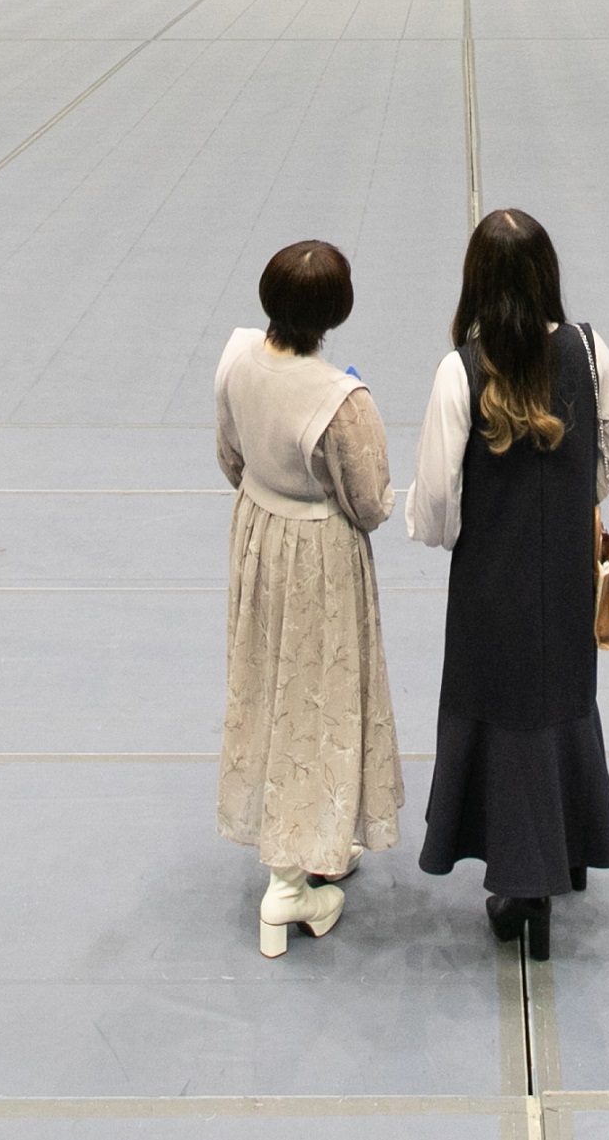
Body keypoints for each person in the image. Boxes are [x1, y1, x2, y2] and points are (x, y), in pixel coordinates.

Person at [408, 207, 609, 958]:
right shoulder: (590, 351)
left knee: (498, 713)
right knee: (561, 702)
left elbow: (436, 499)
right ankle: (564, 853)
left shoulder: (460, 370)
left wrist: (448, 531)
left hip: (489, 584)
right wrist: (577, 495)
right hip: (565, 577)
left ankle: (519, 881)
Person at [214, 238, 403, 956]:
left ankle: (312, 836)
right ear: (335, 312)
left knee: (267, 685)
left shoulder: (236, 359)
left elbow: (230, 456)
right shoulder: (341, 400)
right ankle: (289, 883)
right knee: (318, 698)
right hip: (318, 556)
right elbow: (371, 501)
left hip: (257, 536)